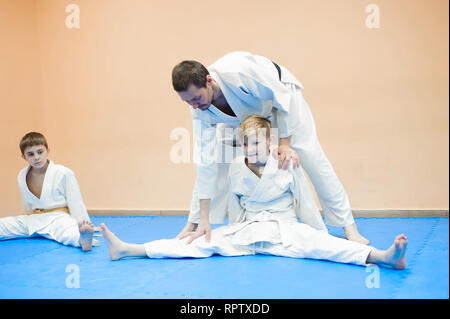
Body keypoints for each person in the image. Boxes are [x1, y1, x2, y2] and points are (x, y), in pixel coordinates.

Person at [100, 116, 407, 270]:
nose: (253, 149)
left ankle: (384, 257)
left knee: (325, 246)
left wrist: (318, 231)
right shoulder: (235, 167)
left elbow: (306, 200)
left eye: (258, 143)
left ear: (270, 142)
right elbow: (233, 204)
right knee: (198, 244)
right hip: (247, 229)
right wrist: (227, 229)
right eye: (247, 144)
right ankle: (129, 249)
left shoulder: (286, 162)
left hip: (285, 227)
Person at [171, 51, 369, 245]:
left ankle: (349, 227)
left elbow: (282, 97)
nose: (193, 106)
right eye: (187, 101)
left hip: (284, 102)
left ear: (209, 80)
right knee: (216, 160)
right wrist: (203, 217)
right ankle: (195, 223)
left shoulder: (238, 71)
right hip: (246, 116)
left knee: (311, 157)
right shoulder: (198, 108)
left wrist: (284, 143)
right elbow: (204, 161)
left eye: (196, 98)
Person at [0, 132, 99, 251]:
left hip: (57, 218)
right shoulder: (22, 175)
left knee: (67, 232)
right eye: (30, 154)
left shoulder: (63, 173)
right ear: (23, 157)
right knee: (3, 225)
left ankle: (83, 240)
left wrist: (83, 224)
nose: (36, 157)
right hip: (33, 218)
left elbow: (76, 202)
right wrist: (23, 219)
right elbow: (27, 204)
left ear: (48, 151)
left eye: (40, 152)